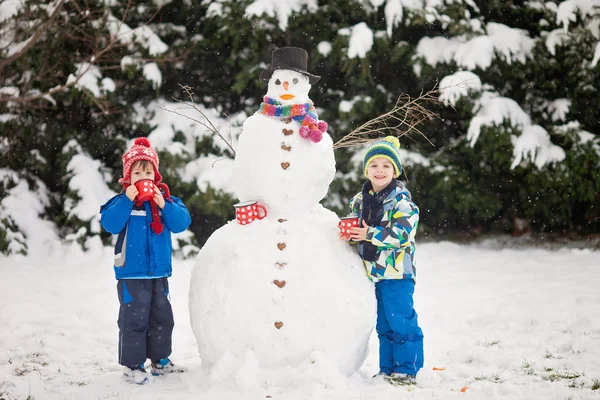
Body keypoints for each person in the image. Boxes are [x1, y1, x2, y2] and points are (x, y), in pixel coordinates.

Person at [100, 137, 191, 384]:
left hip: (159, 274)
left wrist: (164, 204)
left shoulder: (164, 201)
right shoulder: (122, 202)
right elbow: (110, 223)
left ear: (156, 175)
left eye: (148, 172)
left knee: (162, 318)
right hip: (132, 274)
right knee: (134, 320)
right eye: (137, 172)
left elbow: (182, 223)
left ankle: (160, 361)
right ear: (128, 176)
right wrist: (127, 200)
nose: (143, 177)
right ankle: (133, 365)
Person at [341, 136, 424, 385]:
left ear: (395, 171)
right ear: (366, 170)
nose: (380, 170)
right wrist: (348, 234)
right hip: (372, 273)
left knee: (402, 321)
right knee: (383, 324)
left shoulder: (401, 200)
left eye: (386, 166)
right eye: (374, 165)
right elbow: (356, 227)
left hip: (397, 272)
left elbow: (403, 234)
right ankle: (387, 368)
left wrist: (370, 234)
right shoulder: (359, 200)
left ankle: (407, 369)